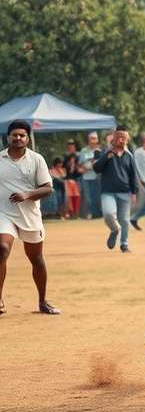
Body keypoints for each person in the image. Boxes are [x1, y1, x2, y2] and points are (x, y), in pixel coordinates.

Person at [0, 120, 60, 315]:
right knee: (2, 248)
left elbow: (48, 188)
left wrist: (27, 194)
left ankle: (42, 302)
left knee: (36, 258)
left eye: (22, 135)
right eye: (14, 135)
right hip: (4, 213)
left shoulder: (37, 160)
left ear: (27, 138)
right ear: (8, 137)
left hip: (29, 215)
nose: (18, 138)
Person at [93, 126, 138, 253]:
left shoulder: (129, 155)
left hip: (125, 191)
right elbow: (97, 169)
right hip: (108, 191)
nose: (122, 140)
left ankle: (124, 244)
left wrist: (134, 192)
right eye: (119, 137)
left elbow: (133, 175)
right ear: (114, 138)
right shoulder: (104, 152)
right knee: (108, 214)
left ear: (127, 140)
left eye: (124, 138)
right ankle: (114, 229)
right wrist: (108, 155)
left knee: (125, 220)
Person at [78, 132, 102, 219]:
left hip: (97, 177)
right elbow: (80, 165)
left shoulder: (99, 151)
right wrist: (86, 166)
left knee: (96, 197)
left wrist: (92, 165)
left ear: (97, 140)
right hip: (86, 177)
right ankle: (88, 214)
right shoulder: (84, 151)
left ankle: (96, 214)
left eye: (95, 138)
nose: (93, 140)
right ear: (88, 140)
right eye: (91, 138)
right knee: (87, 199)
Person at [63, 140, 81, 219]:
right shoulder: (65, 157)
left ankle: (76, 213)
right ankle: (71, 213)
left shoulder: (78, 156)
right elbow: (63, 167)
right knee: (69, 197)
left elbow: (80, 167)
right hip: (68, 179)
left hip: (77, 179)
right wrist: (69, 163)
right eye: (69, 147)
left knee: (77, 196)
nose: (71, 148)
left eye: (72, 147)